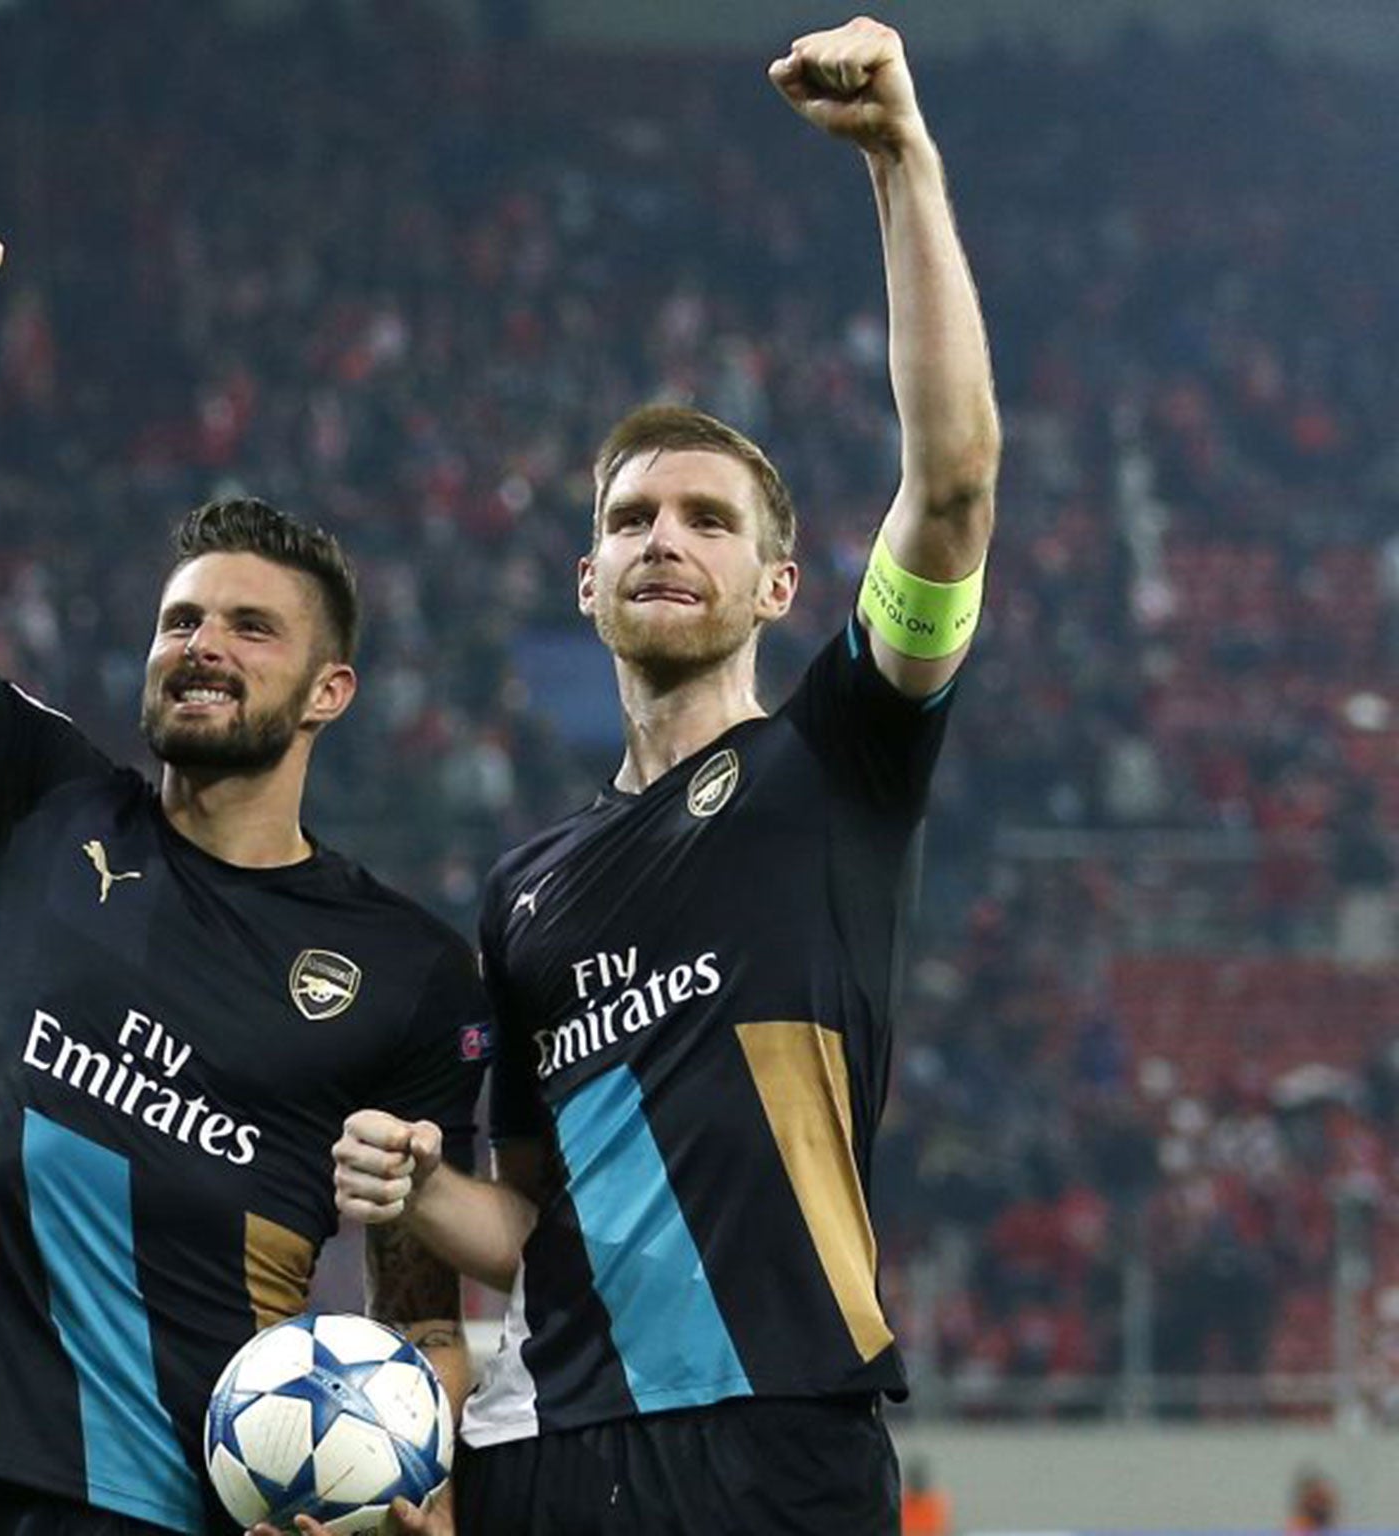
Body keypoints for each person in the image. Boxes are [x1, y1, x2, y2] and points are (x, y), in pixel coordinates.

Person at [332, 18, 1000, 1534]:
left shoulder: (845, 757)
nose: (663, 537)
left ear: (778, 588)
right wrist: (414, 1187)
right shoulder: (522, 895)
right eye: (632, 517)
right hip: (553, 1456)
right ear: (587, 581)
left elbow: (954, 479)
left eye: (708, 518)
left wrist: (900, 157)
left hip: (783, 1439)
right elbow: (539, 1234)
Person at [0, 201, 483, 1536]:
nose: (202, 643)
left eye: (249, 628)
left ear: (332, 691)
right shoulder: (48, 809)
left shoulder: (408, 971)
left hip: (207, 1516)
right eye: (181, 619)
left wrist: (401, 1504)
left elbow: (422, 1317)